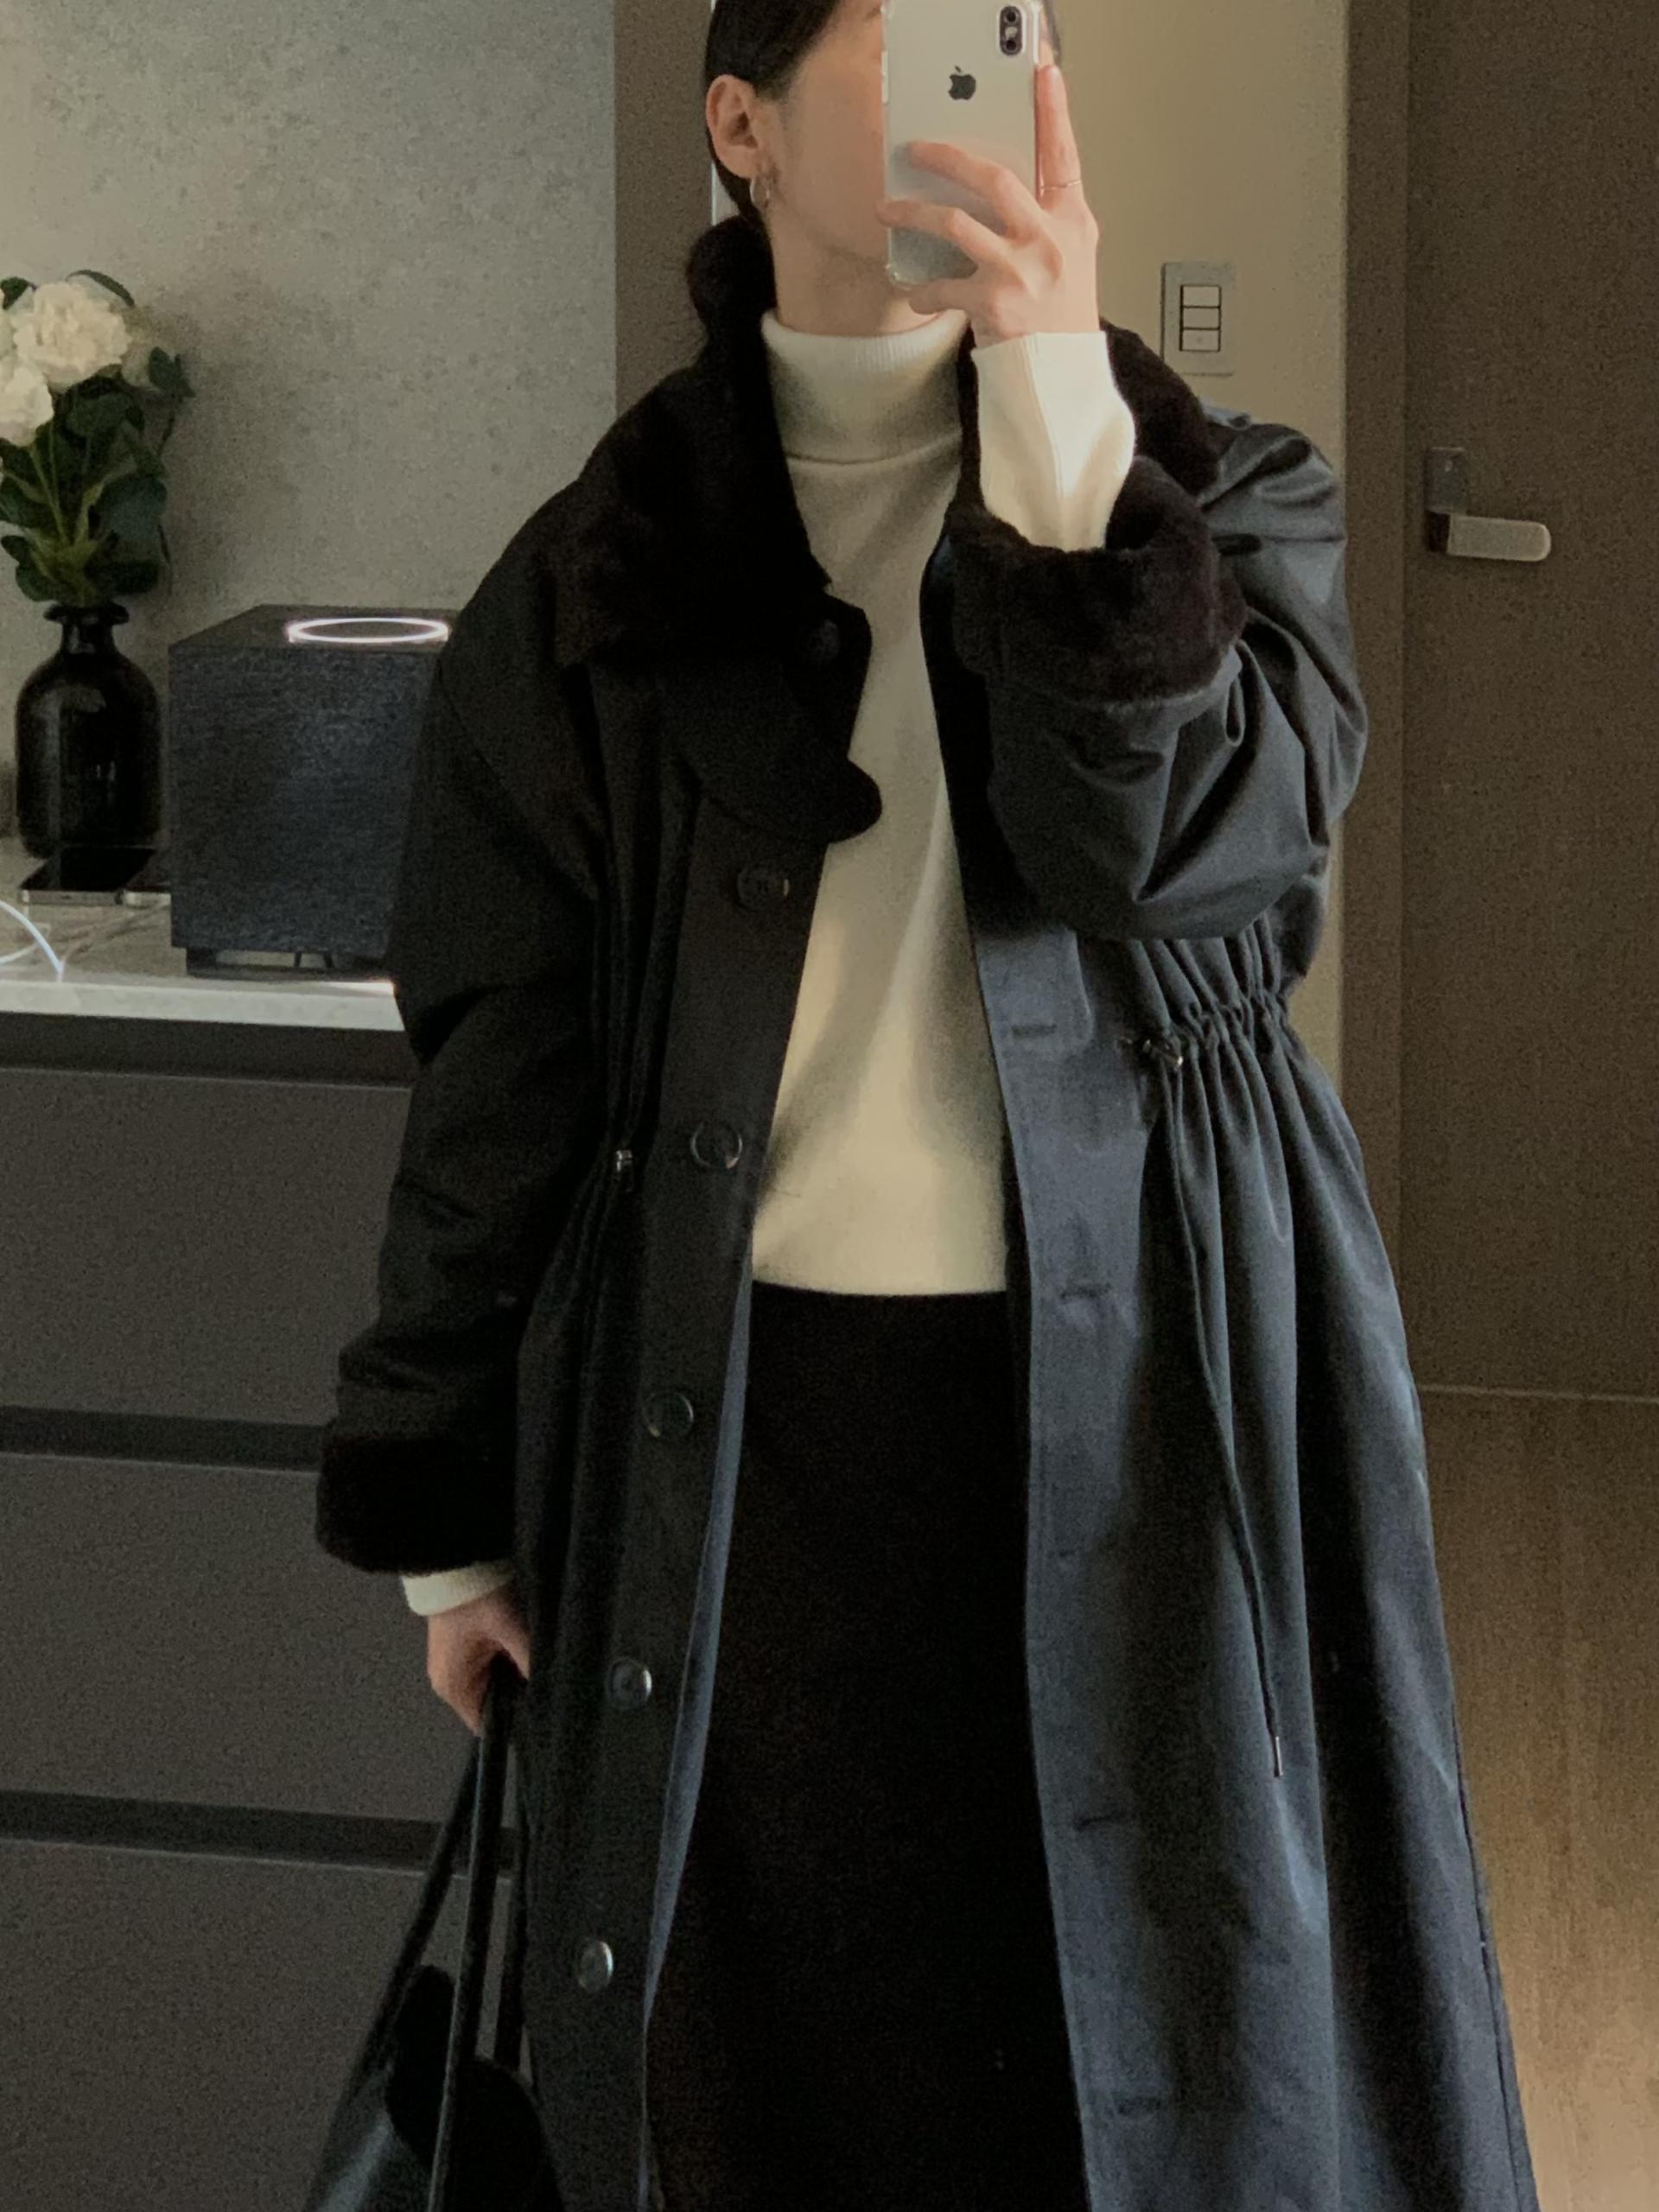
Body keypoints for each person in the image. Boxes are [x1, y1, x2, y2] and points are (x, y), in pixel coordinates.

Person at [317, 2, 1543, 2208]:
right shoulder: (597, 579)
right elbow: (500, 1066)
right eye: (915, 37)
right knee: (772, 2073)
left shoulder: (1223, 504)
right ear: (743, 123)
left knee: (1165, 2060)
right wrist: (455, 1516)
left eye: (1013, 32)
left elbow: (1189, 862)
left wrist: (1063, 428)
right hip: (737, 1438)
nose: (987, 91)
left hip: (1153, 1399)